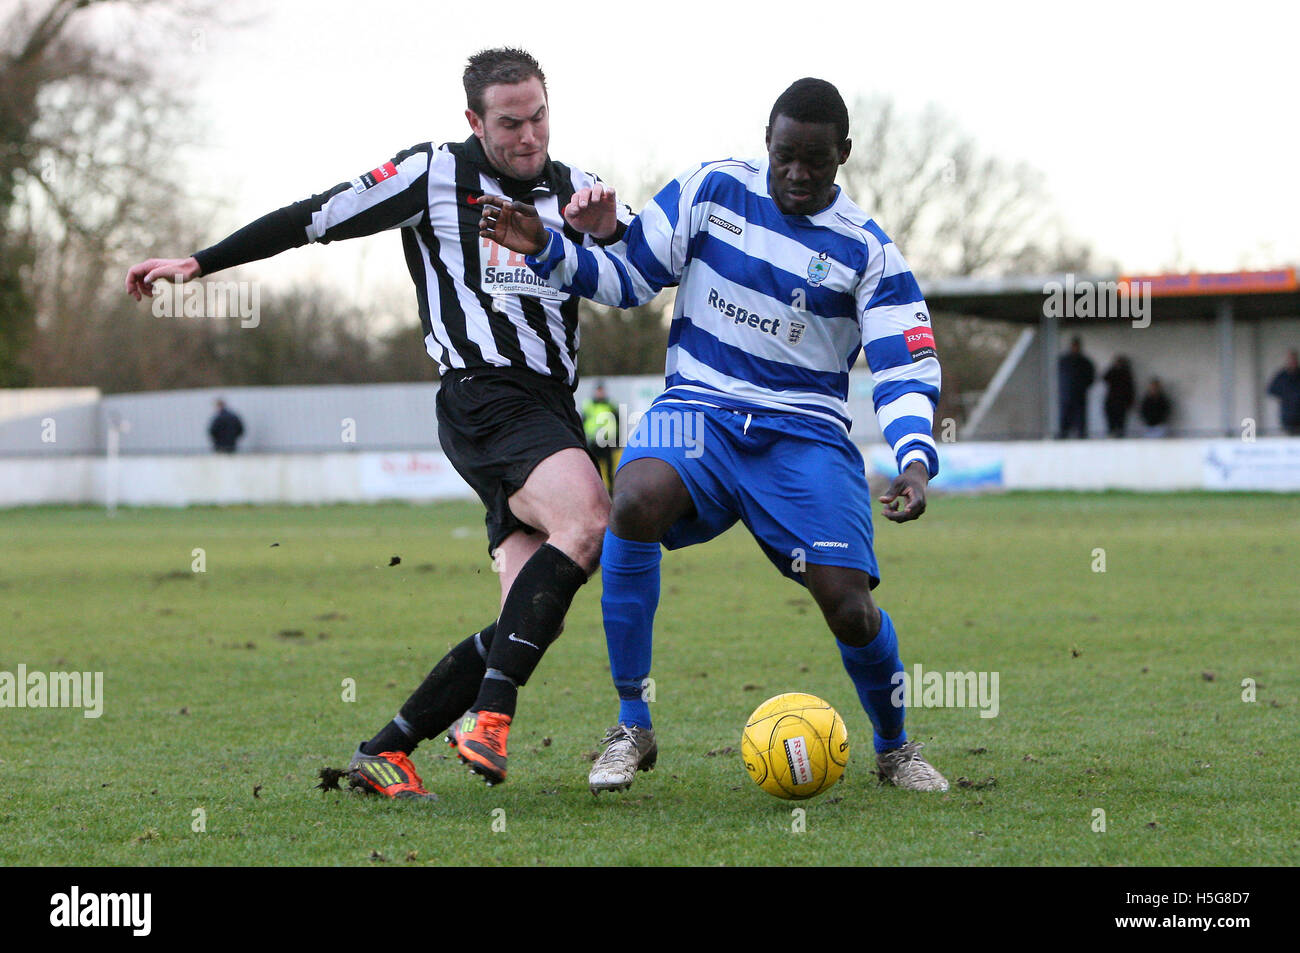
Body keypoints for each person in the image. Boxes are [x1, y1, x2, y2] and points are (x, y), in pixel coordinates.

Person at [125, 49, 632, 794]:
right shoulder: (432, 174)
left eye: (539, 117)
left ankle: (386, 750)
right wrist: (200, 263)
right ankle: (490, 718)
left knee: (531, 614)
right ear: (474, 121)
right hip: (484, 394)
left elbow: (647, 266)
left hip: (548, 406)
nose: (529, 136)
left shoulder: (582, 190)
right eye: (509, 123)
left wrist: (616, 231)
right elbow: (315, 217)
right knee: (589, 518)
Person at [480, 77, 950, 794]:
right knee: (633, 497)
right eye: (786, 154)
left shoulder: (869, 252)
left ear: (843, 155)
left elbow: (905, 367)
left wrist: (915, 463)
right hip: (698, 410)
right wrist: (548, 248)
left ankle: (895, 747)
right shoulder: (710, 191)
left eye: (815, 161)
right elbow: (629, 276)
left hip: (805, 437)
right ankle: (631, 725)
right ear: (767, 139)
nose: (797, 172)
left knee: (849, 606)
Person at [582, 382, 620, 493]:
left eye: (601, 391)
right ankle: (594, 491)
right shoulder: (588, 405)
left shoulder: (610, 405)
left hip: (607, 441)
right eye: (598, 391)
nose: (600, 393)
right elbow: (582, 421)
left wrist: (617, 439)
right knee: (593, 470)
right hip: (593, 442)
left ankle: (611, 492)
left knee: (609, 469)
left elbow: (617, 422)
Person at [1057, 336, 1095, 438]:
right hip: (1066, 395)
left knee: (1080, 420)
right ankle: (1062, 437)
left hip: (1079, 396)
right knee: (1064, 419)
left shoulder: (1085, 362)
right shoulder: (1064, 361)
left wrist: (1081, 387)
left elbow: (1091, 378)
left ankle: (1081, 437)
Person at [1267, 349, 1300, 436]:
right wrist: (1285, 396)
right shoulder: (1282, 376)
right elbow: (1271, 390)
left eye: (1294, 359)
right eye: (1290, 359)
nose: (1292, 362)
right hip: (1287, 415)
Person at [1102, 355, 1135, 437]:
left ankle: (1120, 435)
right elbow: (1104, 378)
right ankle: (1111, 434)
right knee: (1111, 422)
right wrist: (1113, 368)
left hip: (1122, 401)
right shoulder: (1112, 372)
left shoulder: (1126, 374)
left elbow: (1130, 388)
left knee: (1121, 423)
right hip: (1111, 400)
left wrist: (1130, 402)